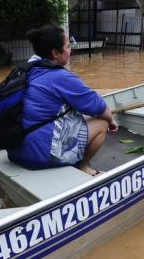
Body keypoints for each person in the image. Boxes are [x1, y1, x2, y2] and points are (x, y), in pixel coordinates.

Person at [8, 25, 118, 176]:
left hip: (15, 150)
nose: (70, 50)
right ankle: (83, 168)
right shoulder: (60, 77)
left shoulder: (27, 70)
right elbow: (98, 106)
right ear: (55, 53)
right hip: (38, 156)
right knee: (101, 122)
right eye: (67, 46)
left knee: (83, 117)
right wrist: (111, 120)